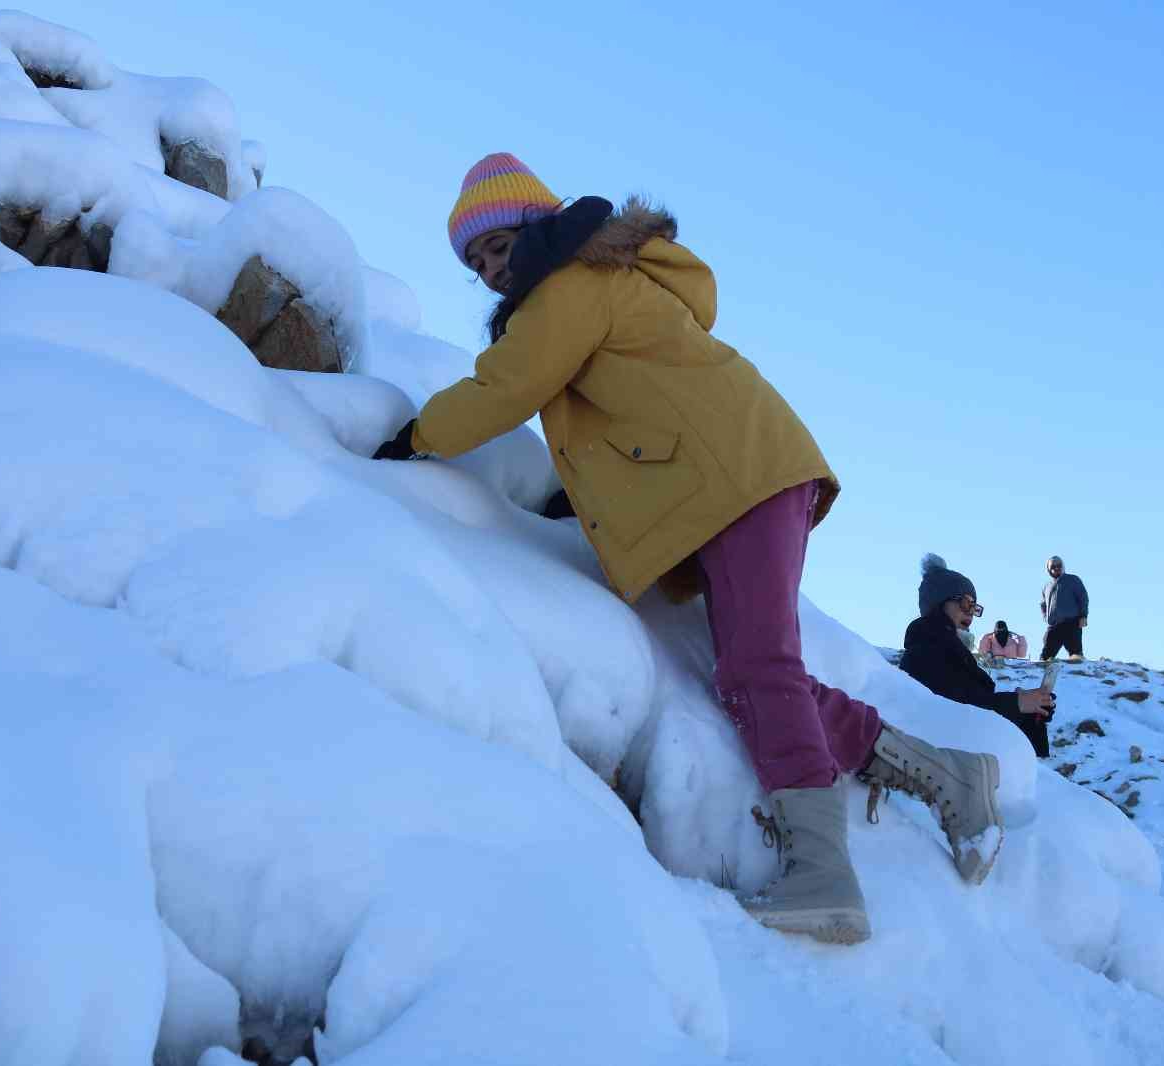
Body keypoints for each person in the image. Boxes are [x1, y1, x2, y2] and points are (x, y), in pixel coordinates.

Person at [372, 153, 1004, 944]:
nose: (492, 272)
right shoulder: (584, 283)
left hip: (738, 478)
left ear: (535, 223)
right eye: (476, 265)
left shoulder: (570, 285)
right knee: (760, 675)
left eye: (497, 248)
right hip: (737, 477)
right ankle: (951, 777)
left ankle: (823, 875)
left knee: (756, 670)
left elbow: (507, 387)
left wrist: (413, 439)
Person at [900, 556, 1056, 758]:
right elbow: (951, 715)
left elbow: (975, 709)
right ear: (939, 602)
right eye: (966, 603)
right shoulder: (925, 651)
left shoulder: (952, 651)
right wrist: (1016, 704)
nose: (971, 613)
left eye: (975, 607)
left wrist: (1028, 710)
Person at [1040, 555, 1089, 660]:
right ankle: (1045, 676)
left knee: (1076, 655)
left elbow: (1083, 598)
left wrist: (1083, 616)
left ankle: (1079, 675)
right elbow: (1043, 604)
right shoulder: (1047, 586)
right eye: (1053, 566)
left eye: (1059, 565)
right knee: (1045, 657)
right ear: (1049, 569)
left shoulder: (1073, 580)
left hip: (1072, 623)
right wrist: (1046, 617)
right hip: (1054, 625)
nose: (1056, 568)